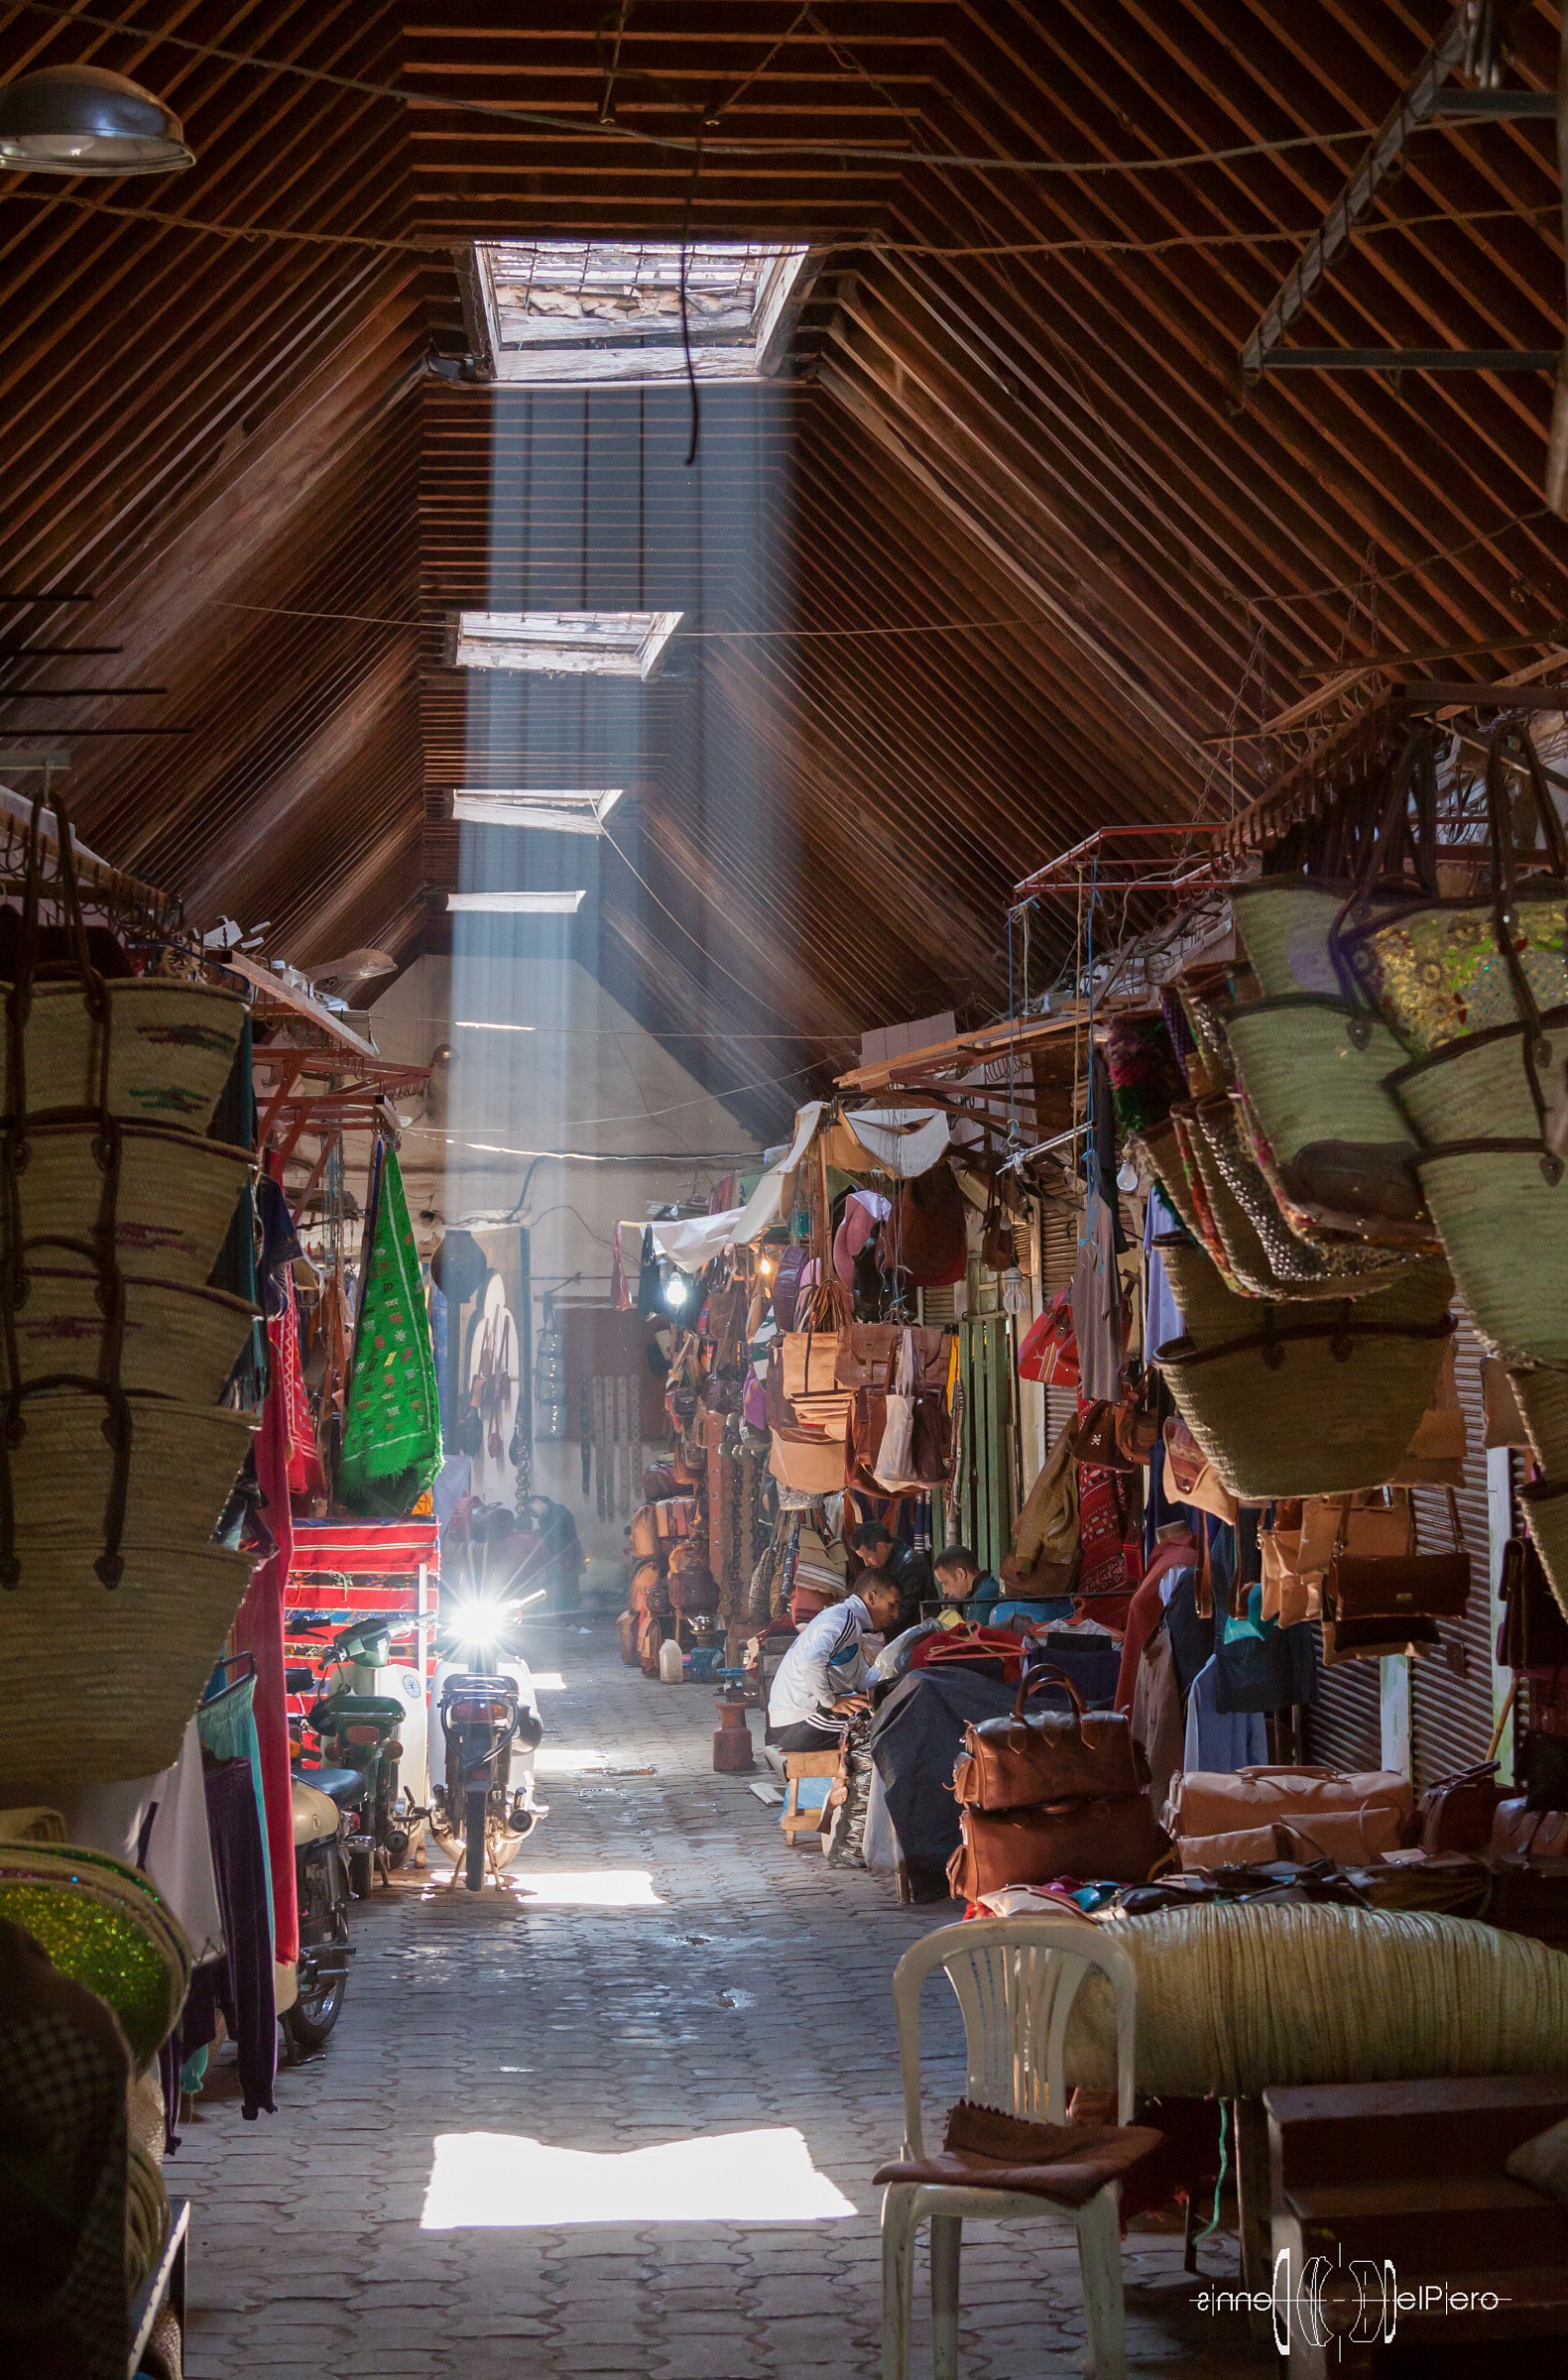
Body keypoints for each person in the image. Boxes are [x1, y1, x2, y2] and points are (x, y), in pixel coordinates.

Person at [766, 1567, 904, 1751]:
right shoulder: (843, 1619)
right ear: (872, 1598)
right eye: (892, 1605)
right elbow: (811, 1662)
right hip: (797, 1722)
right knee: (886, 1726)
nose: (896, 1614)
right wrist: (832, 1701)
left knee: (887, 1716)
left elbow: (862, 1679)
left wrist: (895, 1665)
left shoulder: (850, 1622)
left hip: (796, 1722)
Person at [850, 1519, 930, 1630]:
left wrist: (872, 1630)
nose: (866, 1563)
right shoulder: (885, 1564)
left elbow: (904, 1612)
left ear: (880, 1547)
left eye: (867, 1557)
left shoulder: (911, 1563)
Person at [932, 1543, 1002, 1616]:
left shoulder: (984, 1597)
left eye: (945, 1583)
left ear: (961, 1574)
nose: (944, 1590)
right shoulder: (980, 1591)